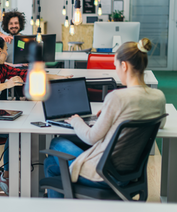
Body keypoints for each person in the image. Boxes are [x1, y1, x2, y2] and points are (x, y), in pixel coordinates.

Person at [44, 38, 167, 198]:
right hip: (129, 172)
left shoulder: (117, 97)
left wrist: (76, 121)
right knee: (56, 160)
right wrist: (114, 119)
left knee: (55, 147)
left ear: (124, 65)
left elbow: (91, 138)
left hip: (102, 173)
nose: (116, 70)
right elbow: (160, 123)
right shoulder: (158, 96)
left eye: (116, 66)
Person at [0, 35, 71, 195]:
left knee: (17, 129)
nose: (7, 54)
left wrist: (59, 77)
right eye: (6, 50)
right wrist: (6, 84)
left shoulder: (2, 68)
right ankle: (7, 176)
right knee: (13, 130)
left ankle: (7, 175)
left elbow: (26, 73)